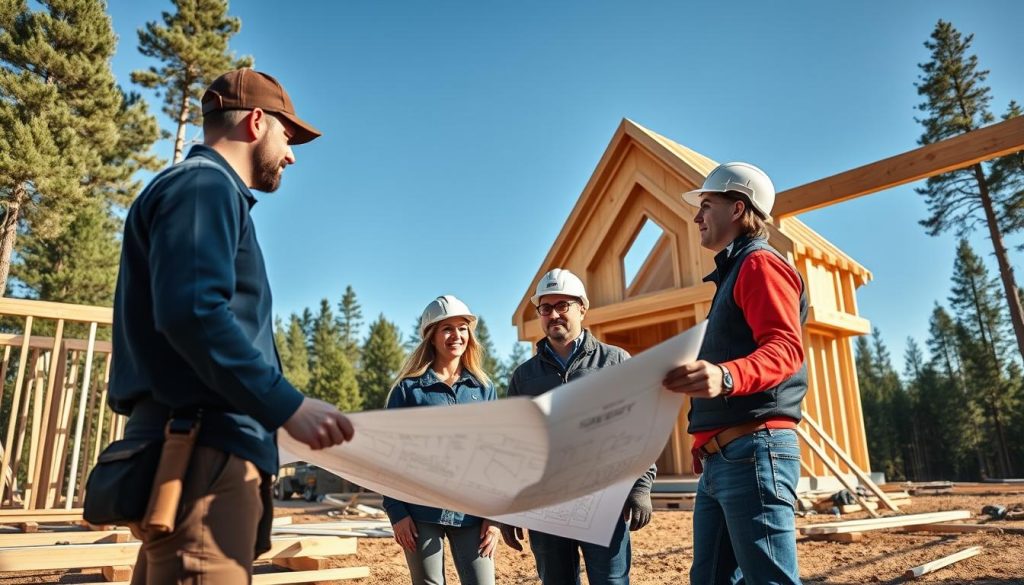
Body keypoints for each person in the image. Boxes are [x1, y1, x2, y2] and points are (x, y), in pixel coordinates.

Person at [108, 68, 354, 584]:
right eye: (288, 137)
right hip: (204, 460)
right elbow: (194, 311)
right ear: (257, 122)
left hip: (195, 455)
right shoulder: (204, 187)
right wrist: (287, 405)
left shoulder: (198, 191)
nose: (291, 155)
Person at [662, 162, 807, 585]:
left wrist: (725, 377)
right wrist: (705, 437)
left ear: (738, 208)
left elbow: (785, 349)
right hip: (723, 458)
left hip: (753, 453)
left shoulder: (760, 264)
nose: (696, 217)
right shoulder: (734, 271)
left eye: (706, 205)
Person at [501, 268, 656, 585]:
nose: (554, 314)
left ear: (582, 308)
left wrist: (640, 487)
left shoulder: (614, 362)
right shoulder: (524, 376)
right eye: (546, 308)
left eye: (563, 305)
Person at [383, 295, 502, 585]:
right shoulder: (408, 390)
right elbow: (388, 455)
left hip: (472, 512)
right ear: (431, 337)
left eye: (462, 328)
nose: (456, 335)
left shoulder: (484, 389)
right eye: (447, 328)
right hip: (420, 512)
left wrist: (496, 516)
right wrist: (397, 512)